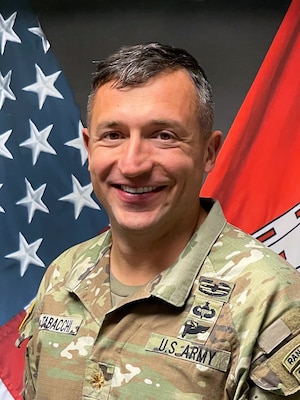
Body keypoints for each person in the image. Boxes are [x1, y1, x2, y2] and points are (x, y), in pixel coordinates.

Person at [17, 42, 300, 400]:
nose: (133, 164)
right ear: (89, 148)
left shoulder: (271, 301)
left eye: (163, 136)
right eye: (114, 135)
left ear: (208, 152)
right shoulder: (63, 275)